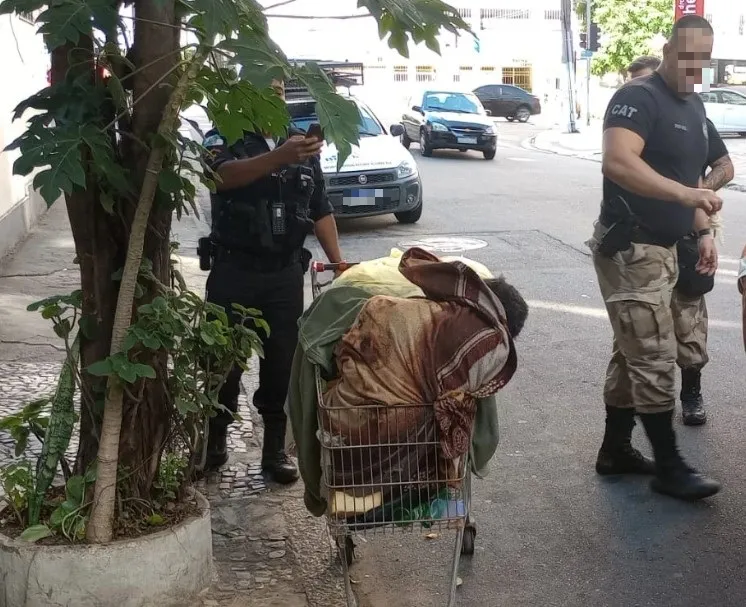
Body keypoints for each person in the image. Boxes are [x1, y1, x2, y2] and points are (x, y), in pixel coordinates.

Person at [588, 15, 724, 501]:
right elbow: (619, 162)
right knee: (653, 357)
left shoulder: (694, 103)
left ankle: (615, 452)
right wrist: (688, 198)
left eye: (702, 59)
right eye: (685, 56)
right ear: (667, 49)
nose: (692, 67)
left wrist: (702, 231)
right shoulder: (638, 98)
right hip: (631, 250)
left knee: (632, 353)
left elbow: (688, 176)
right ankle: (670, 467)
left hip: (667, 250)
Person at [201, 79, 344, 484]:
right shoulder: (225, 133)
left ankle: (274, 452)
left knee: (281, 364)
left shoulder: (299, 145)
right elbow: (219, 177)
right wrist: (278, 157)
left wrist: (339, 262)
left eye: (280, 89)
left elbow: (321, 208)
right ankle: (215, 441)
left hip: (283, 274)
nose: (275, 95)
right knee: (223, 362)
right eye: (268, 87)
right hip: (235, 271)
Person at [626, 55, 735, 425]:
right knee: (637, 327)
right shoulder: (630, 126)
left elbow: (725, 166)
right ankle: (640, 408)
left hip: (688, 235)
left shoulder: (693, 119)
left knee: (688, 319)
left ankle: (691, 391)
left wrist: (696, 194)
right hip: (641, 241)